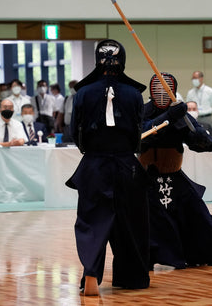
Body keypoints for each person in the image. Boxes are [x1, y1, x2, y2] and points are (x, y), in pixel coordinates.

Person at [65, 39, 150, 296]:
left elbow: (74, 133)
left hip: (94, 165)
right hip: (127, 165)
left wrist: (89, 149)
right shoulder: (134, 94)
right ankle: (132, 277)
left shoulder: (83, 93)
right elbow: (138, 134)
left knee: (92, 221)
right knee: (130, 223)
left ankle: (91, 271)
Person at [140, 72, 212, 270]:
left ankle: (198, 254)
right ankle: (145, 259)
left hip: (174, 176)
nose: (161, 91)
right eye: (157, 87)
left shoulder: (180, 114)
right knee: (147, 221)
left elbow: (206, 145)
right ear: (151, 90)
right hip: (146, 180)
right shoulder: (142, 111)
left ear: (173, 90)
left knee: (200, 220)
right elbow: (138, 137)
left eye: (165, 88)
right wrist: (167, 117)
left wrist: (188, 123)